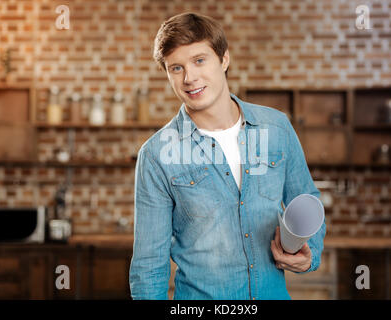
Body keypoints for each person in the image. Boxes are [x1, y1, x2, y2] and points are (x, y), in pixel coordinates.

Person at [129, 12, 326, 300]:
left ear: (224, 59)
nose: (189, 77)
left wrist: (310, 256)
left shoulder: (276, 128)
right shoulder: (157, 155)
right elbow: (149, 266)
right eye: (176, 68)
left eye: (199, 60)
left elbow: (307, 199)